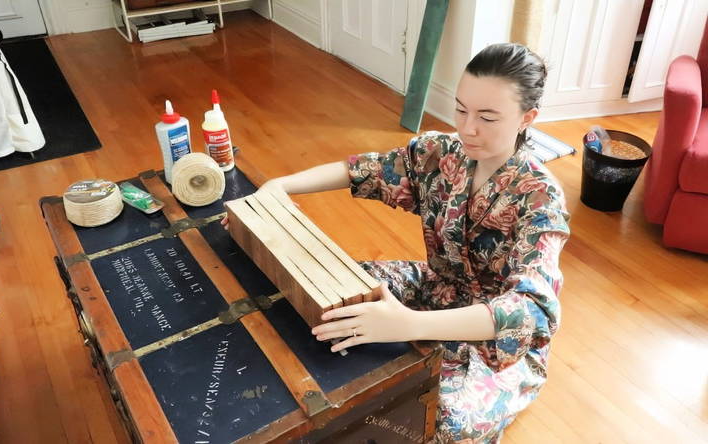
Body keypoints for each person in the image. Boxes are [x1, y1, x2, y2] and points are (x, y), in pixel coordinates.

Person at [221, 43, 570, 443]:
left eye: (488, 117)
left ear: (528, 118)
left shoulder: (541, 198)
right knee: (333, 295)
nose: (468, 127)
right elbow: (363, 170)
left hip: (493, 342)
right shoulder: (442, 152)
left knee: (443, 422)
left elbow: (532, 310)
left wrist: (408, 323)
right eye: (460, 109)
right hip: (434, 287)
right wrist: (278, 186)